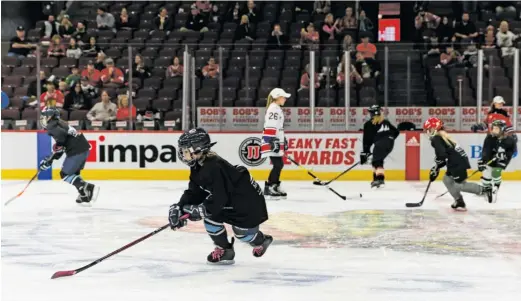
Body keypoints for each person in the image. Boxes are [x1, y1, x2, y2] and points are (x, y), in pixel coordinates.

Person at [168, 128, 272, 264]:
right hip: (230, 200)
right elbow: (195, 191)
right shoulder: (198, 165)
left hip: (247, 203)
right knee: (210, 218)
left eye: (186, 151)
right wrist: (179, 207)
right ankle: (225, 250)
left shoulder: (214, 166)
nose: (183, 154)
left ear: (198, 149)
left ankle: (262, 241)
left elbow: (220, 196)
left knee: (242, 234)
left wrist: (201, 210)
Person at [423, 117, 491, 210]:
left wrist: (436, 167)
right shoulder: (443, 136)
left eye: (429, 129)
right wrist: (437, 167)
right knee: (447, 179)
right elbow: (444, 156)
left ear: (435, 129)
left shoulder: (436, 139)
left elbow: (442, 156)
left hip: (457, 163)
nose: (427, 132)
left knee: (459, 185)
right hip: (456, 162)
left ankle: (484, 190)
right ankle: (459, 201)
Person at [38, 107, 99, 205]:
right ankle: (84, 194)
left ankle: (87, 187)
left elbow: (61, 140)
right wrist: (52, 158)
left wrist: (50, 159)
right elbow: (62, 142)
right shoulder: (60, 123)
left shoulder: (51, 125)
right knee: (75, 174)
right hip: (83, 149)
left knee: (65, 174)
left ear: (51, 117)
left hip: (76, 151)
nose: (43, 119)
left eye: (45, 116)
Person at [261, 88, 291, 199]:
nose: (285, 99)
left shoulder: (276, 108)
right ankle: (270, 186)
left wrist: (284, 140)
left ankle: (275, 185)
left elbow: (278, 127)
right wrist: (272, 141)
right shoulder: (274, 109)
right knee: (278, 164)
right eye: (283, 97)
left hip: (275, 140)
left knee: (279, 164)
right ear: (277, 97)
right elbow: (270, 125)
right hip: (272, 141)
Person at [361, 105, 399, 188]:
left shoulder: (369, 124)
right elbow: (396, 132)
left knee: (377, 161)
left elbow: (366, 140)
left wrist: (365, 152)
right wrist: (390, 139)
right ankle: (376, 179)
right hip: (390, 144)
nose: (369, 115)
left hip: (380, 144)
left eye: (370, 113)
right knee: (377, 160)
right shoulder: (385, 121)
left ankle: (380, 179)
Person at [479, 120, 517, 203]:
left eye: (496, 128)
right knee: (486, 176)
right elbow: (486, 150)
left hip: (503, 159)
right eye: (493, 128)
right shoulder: (489, 138)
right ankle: (487, 189)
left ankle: (496, 186)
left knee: (496, 171)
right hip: (491, 158)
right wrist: (483, 160)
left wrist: (504, 155)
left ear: (502, 129)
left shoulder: (510, 140)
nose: (494, 130)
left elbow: (512, 151)